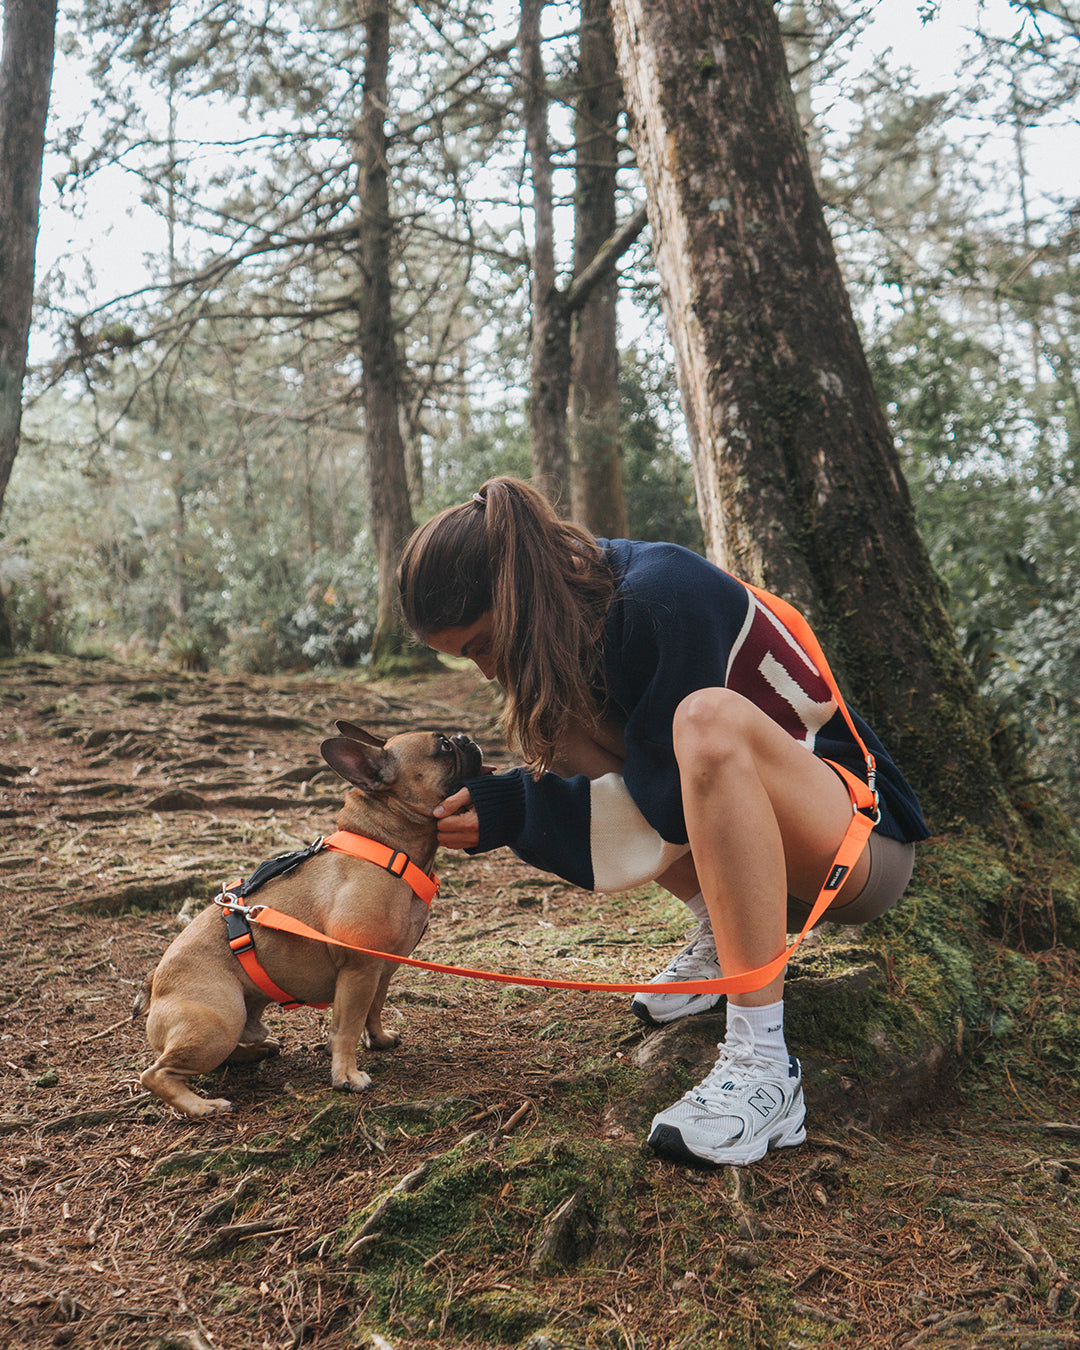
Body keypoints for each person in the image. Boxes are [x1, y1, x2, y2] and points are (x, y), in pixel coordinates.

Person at [397, 477, 929, 1166]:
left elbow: (670, 804)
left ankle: (764, 1066)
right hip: (747, 867)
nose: (482, 668)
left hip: (855, 847)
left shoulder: (657, 594)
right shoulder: (576, 615)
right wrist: (507, 803)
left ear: (515, 596)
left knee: (706, 722)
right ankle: (720, 930)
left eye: (479, 644)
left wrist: (517, 810)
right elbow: (652, 790)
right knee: (557, 724)